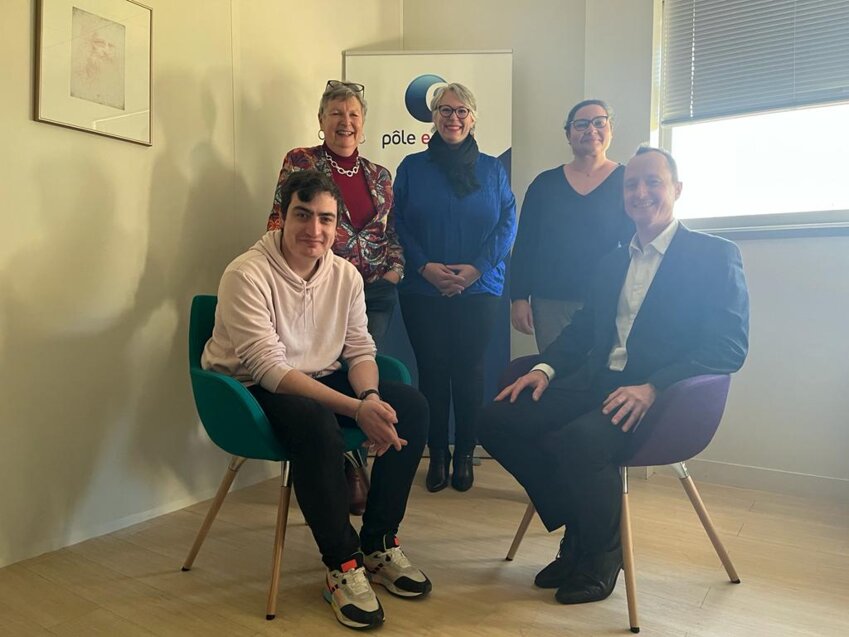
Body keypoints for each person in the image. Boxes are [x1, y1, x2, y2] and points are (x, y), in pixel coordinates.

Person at [478, 147, 749, 606]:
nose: (640, 192)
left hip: (660, 400)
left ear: (676, 190)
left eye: (653, 182)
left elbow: (729, 346)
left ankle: (601, 555)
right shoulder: (612, 260)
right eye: (631, 184)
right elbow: (583, 329)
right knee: (495, 419)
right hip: (595, 382)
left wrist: (655, 386)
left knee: (579, 442)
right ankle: (581, 527)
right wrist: (545, 368)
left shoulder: (714, 256)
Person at [204, 170, 431, 630]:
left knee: (412, 406)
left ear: (337, 225)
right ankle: (342, 567)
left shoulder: (345, 274)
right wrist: (355, 410)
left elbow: (360, 349)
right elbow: (269, 369)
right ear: (281, 218)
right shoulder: (245, 273)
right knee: (315, 425)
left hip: (322, 376)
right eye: (302, 216)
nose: (314, 230)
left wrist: (369, 395)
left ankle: (379, 543)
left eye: (326, 219)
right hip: (251, 388)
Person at [268, 80, 403, 515]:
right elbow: (279, 217)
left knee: (360, 366)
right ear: (322, 120)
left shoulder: (380, 175)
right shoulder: (302, 161)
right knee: (319, 366)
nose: (345, 122)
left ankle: (355, 463)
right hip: (316, 285)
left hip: (374, 290)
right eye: (336, 114)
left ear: (363, 126)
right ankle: (340, 469)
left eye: (353, 115)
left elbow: (390, 229)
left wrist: (395, 268)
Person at [393, 82, 517, 493]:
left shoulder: (493, 169)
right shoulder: (412, 167)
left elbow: (507, 224)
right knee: (431, 372)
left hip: (480, 289)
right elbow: (399, 223)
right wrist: (425, 267)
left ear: (474, 118)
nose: (453, 118)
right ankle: (437, 454)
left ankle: (465, 452)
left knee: (469, 371)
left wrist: (476, 270)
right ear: (434, 118)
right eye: (445, 110)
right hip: (421, 287)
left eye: (462, 111)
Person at [510, 99, 634, 353]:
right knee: (555, 378)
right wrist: (519, 298)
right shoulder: (544, 184)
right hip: (551, 302)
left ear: (610, 129)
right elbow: (525, 245)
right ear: (568, 134)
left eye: (599, 122)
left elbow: (637, 244)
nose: (591, 130)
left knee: (602, 377)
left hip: (609, 300)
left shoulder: (628, 181)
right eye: (581, 124)